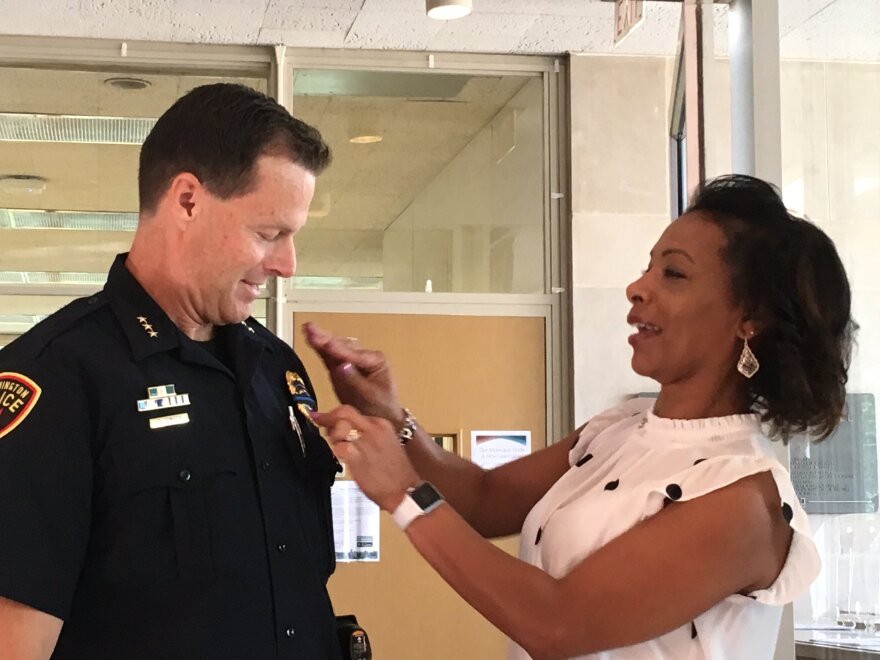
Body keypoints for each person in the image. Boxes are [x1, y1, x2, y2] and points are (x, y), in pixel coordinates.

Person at [305, 174, 856, 660]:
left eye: (674, 275)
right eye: (648, 267)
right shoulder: (616, 430)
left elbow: (556, 623)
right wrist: (392, 416)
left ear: (749, 318)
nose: (637, 288)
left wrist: (404, 495)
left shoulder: (743, 499)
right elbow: (483, 499)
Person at [0, 83, 344, 659]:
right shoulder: (59, 377)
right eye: (269, 234)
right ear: (187, 200)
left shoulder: (276, 369)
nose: (286, 264)